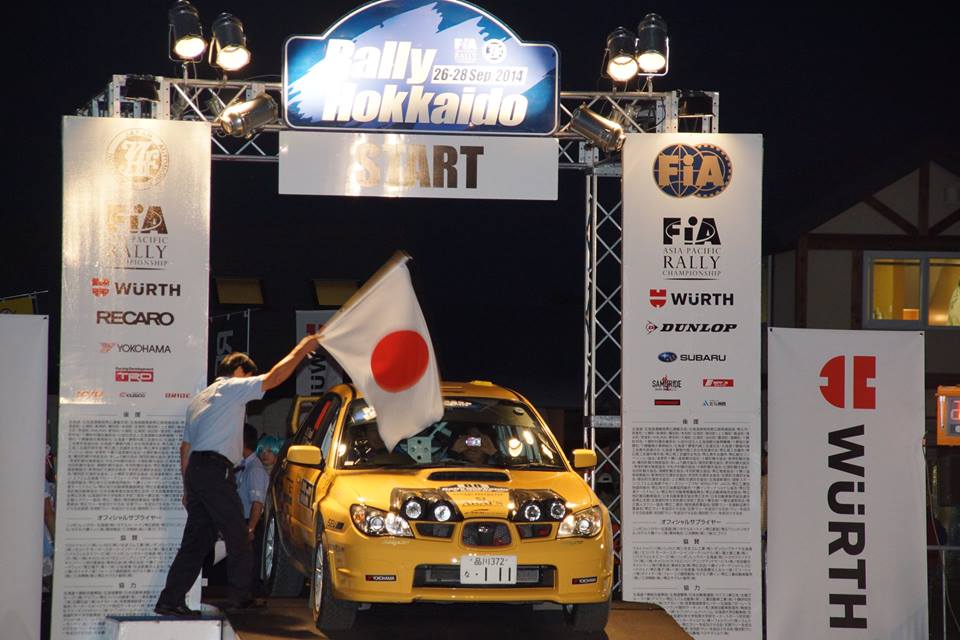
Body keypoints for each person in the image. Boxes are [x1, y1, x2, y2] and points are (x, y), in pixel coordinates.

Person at [154, 335, 319, 617]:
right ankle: (240, 598)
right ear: (240, 372)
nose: (251, 384)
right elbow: (275, 377)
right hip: (215, 471)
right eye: (249, 377)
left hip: (197, 472)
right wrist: (304, 348)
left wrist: (188, 489)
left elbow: (185, 448)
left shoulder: (199, 399)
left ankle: (169, 600)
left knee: (196, 542)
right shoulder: (232, 388)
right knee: (238, 534)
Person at [236, 424, 269, 595]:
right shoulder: (243, 466)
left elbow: (258, 503)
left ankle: (248, 598)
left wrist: (250, 528)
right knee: (242, 566)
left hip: (250, 522)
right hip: (243, 521)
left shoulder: (255, 469)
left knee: (250, 567)